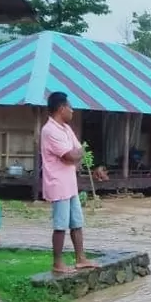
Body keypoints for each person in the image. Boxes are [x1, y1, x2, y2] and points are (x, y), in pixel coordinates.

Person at [40, 91, 99, 274]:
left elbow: (78, 150)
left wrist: (76, 154)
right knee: (60, 225)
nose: (72, 111)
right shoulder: (49, 130)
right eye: (70, 107)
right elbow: (71, 154)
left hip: (70, 182)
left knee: (76, 222)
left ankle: (80, 258)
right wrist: (76, 154)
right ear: (61, 108)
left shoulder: (65, 128)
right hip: (58, 183)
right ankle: (57, 263)